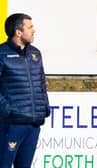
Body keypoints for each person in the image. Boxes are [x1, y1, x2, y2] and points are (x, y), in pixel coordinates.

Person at [0, 13, 50, 167]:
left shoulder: (35, 53)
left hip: (33, 125)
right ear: (18, 32)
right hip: (12, 124)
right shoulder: (2, 53)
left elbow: (41, 82)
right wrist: (7, 110)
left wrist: (44, 108)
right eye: (30, 27)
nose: (33, 30)